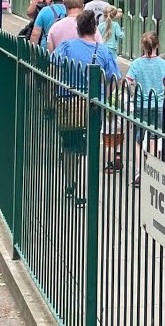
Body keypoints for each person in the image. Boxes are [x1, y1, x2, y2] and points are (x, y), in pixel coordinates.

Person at [52, 11, 124, 205]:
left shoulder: (66, 47)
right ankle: (83, 190)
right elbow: (114, 79)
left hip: (68, 102)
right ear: (94, 29)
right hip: (93, 105)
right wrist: (106, 96)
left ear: (78, 29)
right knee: (88, 146)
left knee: (69, 145)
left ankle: (69, 182)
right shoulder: (103, 52)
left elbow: (53, 66)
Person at [126, 31, 165, 186]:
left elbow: (128, 81)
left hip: (141, 106)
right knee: (154, 139)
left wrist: (135, 89)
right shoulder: (163, 64)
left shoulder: (136, 64)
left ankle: (138, 173)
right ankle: (151, 171)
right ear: (157, 45)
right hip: (158, 105)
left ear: (142, 45)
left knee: (139, 140)